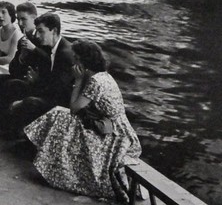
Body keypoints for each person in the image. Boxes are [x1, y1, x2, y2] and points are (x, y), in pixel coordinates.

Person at [24, 39, 141, 202]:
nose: (73, 62)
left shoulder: (95, 81)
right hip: (113, 128)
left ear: (83, 61)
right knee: (62, 117)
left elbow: (74, 108)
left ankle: (53, 168)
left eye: (76, 58)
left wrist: (78, 80)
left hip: (113, 135)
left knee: (62, 117)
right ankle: (49, 164)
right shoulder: (103, 76)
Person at [3, 12, 75, 135]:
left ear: (54, 30)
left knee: (30, 102)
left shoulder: (65, 53)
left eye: (41, 31)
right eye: (36, 31)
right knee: (12, 84)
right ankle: (14, 129)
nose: (37, 35)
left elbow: (60, 89)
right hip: (50, 91)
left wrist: (36, 84)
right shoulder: (51, 47)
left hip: (62, 101)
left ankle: (27, 136)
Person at [0, 2, 49, 128]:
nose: (20, 24)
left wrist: (34, 49)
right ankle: (3, 116)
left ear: (34, 18)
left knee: (12, 84)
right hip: (24, 77)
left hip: (39, 82)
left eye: (24, 19)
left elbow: (49, 62)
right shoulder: (24, 39)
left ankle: (13, 124)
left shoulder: (44, 39)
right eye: (19, 19)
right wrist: (21, 58)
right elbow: (12, 69)